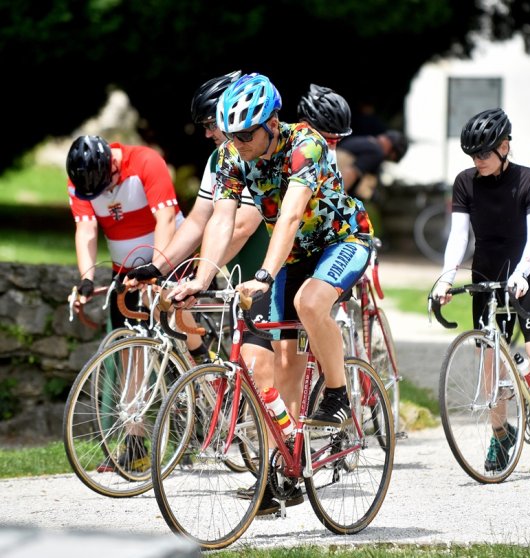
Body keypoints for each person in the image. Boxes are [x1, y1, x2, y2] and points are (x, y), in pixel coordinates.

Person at [167, 72, 373, 431]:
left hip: (342, 241)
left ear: (273, 124)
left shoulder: (305, 145)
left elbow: (291, 216)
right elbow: (221, 218)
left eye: (247, 134)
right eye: (232, 134)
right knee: (285, 360)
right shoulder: (230, 156)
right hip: (294, 255)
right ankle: (289, 463)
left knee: (309, 303)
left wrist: (263, 275)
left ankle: (338, 395)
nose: (239, 143)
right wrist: (200, 278)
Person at [431, 108, 530, 469]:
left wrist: (522, 272)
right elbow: (459, 235)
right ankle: (501, 437)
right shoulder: (465, 182)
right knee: (489, 363)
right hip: (487, 274)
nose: (477, 161)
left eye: (484, 153)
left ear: (504, 147)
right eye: (472, 154)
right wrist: (446, 275)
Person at [126, 70, 278, 413]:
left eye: (211, 123)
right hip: (244, 274)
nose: (207, 132)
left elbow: (242, 226)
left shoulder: (256, 157)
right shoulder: (218, 160)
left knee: (266, 373)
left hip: (275, 271)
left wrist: (201, 275)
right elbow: (199, 219)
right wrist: (160, 265)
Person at [66, 134, 185, 471]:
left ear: (112, 165)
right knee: (132, 350)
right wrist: (87, 278)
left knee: (181, 335)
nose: (101, 196)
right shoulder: (81, 179)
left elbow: (165, 219)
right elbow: (87, 231)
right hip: (127, 270)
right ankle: (135, 446)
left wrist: (158, 269)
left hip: (170, 259)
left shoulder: (146, 161)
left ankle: (205, 380)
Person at [337, 129, 408, 203]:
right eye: (390, 156)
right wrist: (338, 197)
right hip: (332, 185)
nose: (386, 157)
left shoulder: (365, 141)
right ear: (390, 146)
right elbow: (351, 171)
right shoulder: (377, 152)